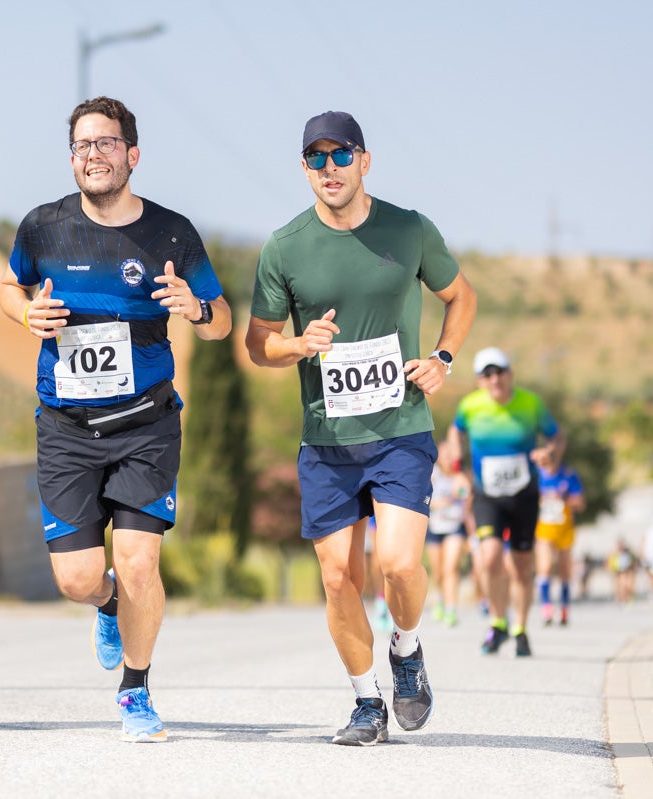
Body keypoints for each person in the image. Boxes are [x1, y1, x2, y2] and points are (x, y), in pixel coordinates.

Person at [0, 96, 231, 743]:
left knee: (136, 563)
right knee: (77, 578)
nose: (92, 155)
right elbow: (7, 285)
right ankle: (106, 606)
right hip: (66, 428)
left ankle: (136, 687)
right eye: (81, 145)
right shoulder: (42, 227)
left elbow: (222, 319)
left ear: (132, 154)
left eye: (104, 143)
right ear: (71, 157)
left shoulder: (171, 232)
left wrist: (198, 308)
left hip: (144, 427)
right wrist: (24, 314)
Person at [246, 110, 477, 746]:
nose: (329, 169)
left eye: (340, 155)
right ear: (303, 168)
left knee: (399, 566)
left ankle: (407, 649)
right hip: (326, 441)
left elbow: (463, 296)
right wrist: (299, 344)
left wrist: (443, 358)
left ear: (364, 161)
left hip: (401, 426)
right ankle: (365, 701)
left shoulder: (409, 229)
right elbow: (256, 345)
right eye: (315, 159)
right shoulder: (285, 247)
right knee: (338, 579)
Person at [447, 347, 564, 658]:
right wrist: (458, 471)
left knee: (522, 564)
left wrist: (549, 454)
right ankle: (498, 621)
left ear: (510, 374)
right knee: (489, 558)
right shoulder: (470, 407)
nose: (495, 379)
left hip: (524, 494)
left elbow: (556, 436)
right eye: (487, 374)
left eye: (499, 372)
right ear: (478, 381)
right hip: (487, 495)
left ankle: (521, 629)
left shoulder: (530, 403)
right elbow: (454, 434)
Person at [534, 453, 585, 626]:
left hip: (564, 529)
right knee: (545, 566)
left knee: (564, 570)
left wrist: (563, 499)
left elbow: (580, 502)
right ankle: (546, 608)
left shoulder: (568, 475)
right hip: (544, 529)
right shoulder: (535, 475)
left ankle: (564, 608)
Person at [426, 441, 473, 627]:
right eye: (444, 455)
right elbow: (423, 498)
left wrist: (460, 494)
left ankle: (451, 608)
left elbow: (466, 495)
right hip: (435, 527)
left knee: (450, 567)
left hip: (454, 527)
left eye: (450, 455)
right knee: (438, 571)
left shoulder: (460, 477)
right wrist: (438, 503)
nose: (447, 458)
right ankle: (440, 598)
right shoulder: (432, 474)